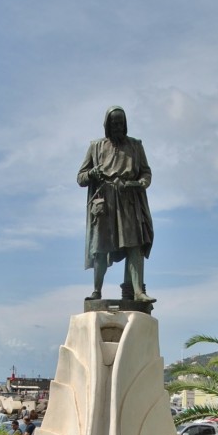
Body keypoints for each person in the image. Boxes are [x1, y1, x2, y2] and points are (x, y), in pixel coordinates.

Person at [77, 106, 155, 304]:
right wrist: (92, 173)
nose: (118, 127)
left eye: (121, 123)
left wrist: (140, 183)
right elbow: (80, 178)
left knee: (134, 246)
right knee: (100, 248)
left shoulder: (136, 145)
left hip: (129, 200)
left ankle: (138, 291)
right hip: (105, 203)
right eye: (114, 123)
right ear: (107, 125)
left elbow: (146, 173)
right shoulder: (95, 147)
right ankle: (97, 291)